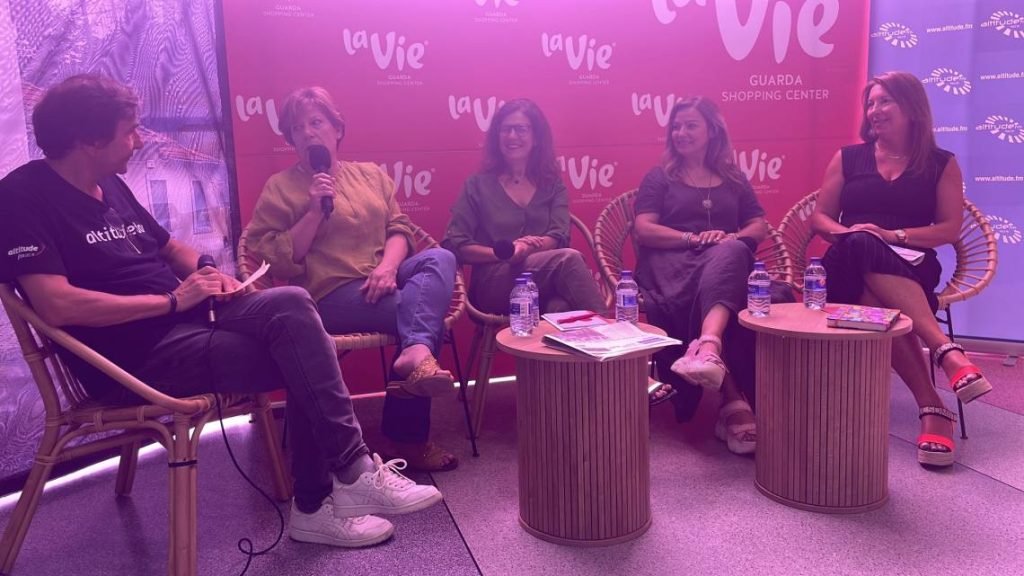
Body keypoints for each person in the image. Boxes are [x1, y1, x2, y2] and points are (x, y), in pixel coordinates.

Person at [0, 74, 443, 548]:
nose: (139, 142)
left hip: (186, 319)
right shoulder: (22, 197)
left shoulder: (107, 183)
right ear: (89, 140)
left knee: (292, 303)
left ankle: (345, 480)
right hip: (133, 358)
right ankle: (326, 496)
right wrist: (173, 301)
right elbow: (55, 304)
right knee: (307, 352)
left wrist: (211, 273)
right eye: (129, 132)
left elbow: (170, 249)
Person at [246, 87, 460, 472]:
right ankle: (410, 434)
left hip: (383, 276)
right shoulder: (280, 187)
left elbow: (399, 228)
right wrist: (314, 211)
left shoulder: (370, 175)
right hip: (326, 295)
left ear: (337, 129)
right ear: (290, 139)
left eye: (316, 122)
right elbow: (272, 257)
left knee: (440, 258)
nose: (308, 133)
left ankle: (414, 352)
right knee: (419, 314)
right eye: (297, 128)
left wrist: (388, 268)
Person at [810, 71, 992, 468]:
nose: (874, 110)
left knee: (874, 295)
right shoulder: (847, 158)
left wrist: (892, 236)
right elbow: (820, 218)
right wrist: (852, 233)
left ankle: (932, 404)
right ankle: (944, 350)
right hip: (845, 262)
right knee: (861, 243)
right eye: (870, 103)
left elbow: (948, 229)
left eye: (884, 101)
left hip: (912, 265)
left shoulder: (941, 163)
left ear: (911, 108)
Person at [442, 100, 674, 402]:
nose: (512, 136)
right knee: (569, 260)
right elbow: (455, 244)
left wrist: (531, 246)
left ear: (536, 137)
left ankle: (562, 406)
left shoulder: (552, 185)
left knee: (561, 305)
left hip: (545, 284)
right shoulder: (477, 185)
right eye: (505, 129)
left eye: (521, 129)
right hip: (495, 287)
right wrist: (507, 253)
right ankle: (630, 367)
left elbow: (559, 234)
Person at [633, 97, 769, 455]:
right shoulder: (660, 177)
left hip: (722, 267)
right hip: (670, 266)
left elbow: (758, 226)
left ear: (712, 130)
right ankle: (730, 392)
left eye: (690, 125)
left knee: (734, 258)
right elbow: (644, 230)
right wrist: (692, 239)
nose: (681, 132)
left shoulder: (734, 178)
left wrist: (731, 238)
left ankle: (712, 358)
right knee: (734, 279)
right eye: (676, 126)